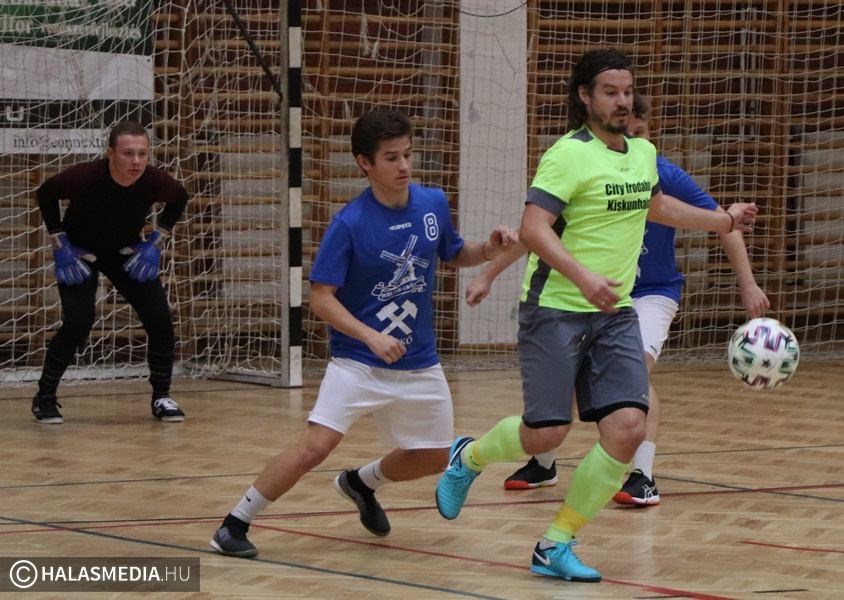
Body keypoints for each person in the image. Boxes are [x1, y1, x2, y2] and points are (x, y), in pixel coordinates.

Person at [434, 49, 758, 582]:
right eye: (611, 92)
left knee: (628, 428)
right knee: (546, 435)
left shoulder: (643, 153)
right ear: (585, 97)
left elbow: (657, 206)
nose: (622, 101)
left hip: (617, 312)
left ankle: (556, 542)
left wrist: (723, 219)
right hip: (555, 310)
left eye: (627, 92)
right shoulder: (568, 155)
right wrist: (581, 276)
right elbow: (534, 228)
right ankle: (469, 457)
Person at [210, 109, 517, 558]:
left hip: (418, 360)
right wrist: (370, 336)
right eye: (391, 158)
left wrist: (489, 248)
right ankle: (234, 524)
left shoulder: (432, 203)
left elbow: (453, 252)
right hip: (359, 361)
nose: (404, 166)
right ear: (365, 163)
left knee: (435, 456)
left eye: (408, 154)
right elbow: (321, 298)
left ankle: (359, 483)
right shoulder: (349, 223)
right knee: (315, 447)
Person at [473, 92, 770, 505]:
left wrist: (748, 284)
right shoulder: (588, 166)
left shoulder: (661, 173)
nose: (631, 138)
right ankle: (543, 463)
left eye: (640, 132)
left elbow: (725, 225)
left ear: (649, 134)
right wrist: (488, 273)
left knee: (635, 378)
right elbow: (536, 232)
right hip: (593, 291)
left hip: (650, 293)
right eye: (626, 131)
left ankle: (643, 476)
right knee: (565, 385)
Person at [32, 121, 189, 424]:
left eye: (142, 154)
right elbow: (46, 193)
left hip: (125, 252)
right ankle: (45, 396)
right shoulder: (85, 176)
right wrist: (60, 242)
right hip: (80, 253)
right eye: (128, 153)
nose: (136, 161)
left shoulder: (154, 180)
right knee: (78, 322)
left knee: (160, 318)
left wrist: (156, 241)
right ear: (111, 153)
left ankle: (162, 396)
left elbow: (179, 198)